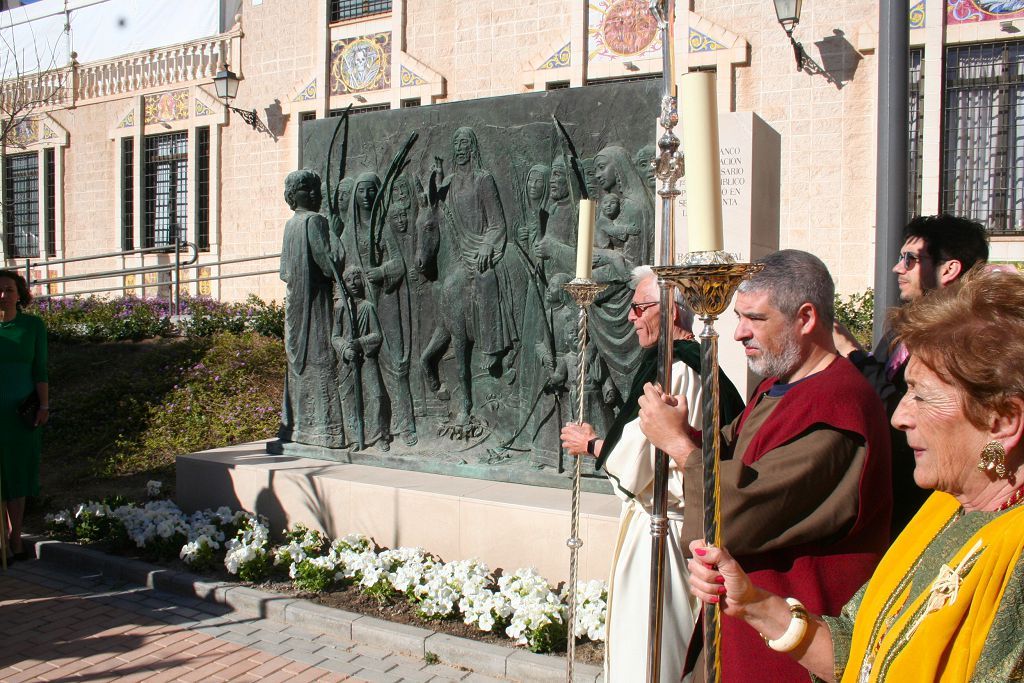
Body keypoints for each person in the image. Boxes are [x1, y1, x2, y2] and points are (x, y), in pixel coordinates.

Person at [688, 266, 1024, 682]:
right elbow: (857, 651)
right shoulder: (944, 511)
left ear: (1003, 421)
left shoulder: (1016, 551)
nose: (900, 416)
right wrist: (753, 603)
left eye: (922, 396)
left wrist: (680, 447)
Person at [639, 249, 892, 683]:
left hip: (790, 643)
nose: (738, 332)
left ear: (806, 318)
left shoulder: (839, 407)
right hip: (740, 625)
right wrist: (689, 432)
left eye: (754, 318)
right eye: (738, 317)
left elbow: (743, 508)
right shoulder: (780, 385)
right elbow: (740, 456)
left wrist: (680, 446)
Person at [561, 266, 744, 683]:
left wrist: (590, 444)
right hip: (675, 527)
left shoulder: (677, 372)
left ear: (672, 312)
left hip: (665, 536)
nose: (630, 318)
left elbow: (639, 462)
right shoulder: (698, 363)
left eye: (640, 308)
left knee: (648, 653)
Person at [834, 214, 989, 535]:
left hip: (933, 500)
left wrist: (854, 355)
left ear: (949, 269)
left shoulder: (967, 339)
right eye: (900, 257)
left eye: (910, 259)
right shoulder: (900, 329)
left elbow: (906, 414)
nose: (897, 268)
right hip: (886, 490)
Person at [279, 169, 346, 448]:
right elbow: (330, 263)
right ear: (295, 196)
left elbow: (284, 272)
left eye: (317, 189)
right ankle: (324, 431)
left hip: (294, 305)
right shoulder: (315, 221)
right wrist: (335, 235)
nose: (316, 194)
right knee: (321, 358)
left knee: (302, 364)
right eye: (310, 190)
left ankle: (296, 428)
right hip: (314, 306)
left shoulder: (290, 225)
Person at [0, 269, 49, 562]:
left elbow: (40, 369)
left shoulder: (32, 326)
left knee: (17, 476)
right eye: (0, 290)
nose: (3, 295)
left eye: (9, 290)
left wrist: (44, 406)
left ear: (20, 295)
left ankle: (15, 538)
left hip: (20, 416)